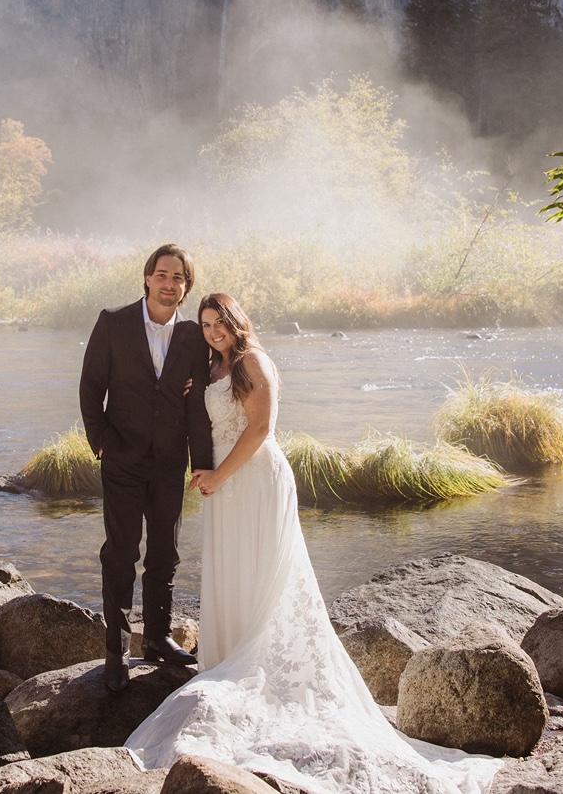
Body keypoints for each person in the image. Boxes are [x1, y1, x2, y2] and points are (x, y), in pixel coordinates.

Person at [124, 293, 502, 794]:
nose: (213, 332)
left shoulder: (253, 361)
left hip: (253, 477)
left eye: (221, 323)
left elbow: (261, 428)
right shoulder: (213, 366)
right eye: (207, 324)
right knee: (232, 569)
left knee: (264, 570)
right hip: (224, 486)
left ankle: (261, 662)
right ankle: (230, 653)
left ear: (237, 322)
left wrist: (219, 475)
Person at [80, 243, 214, 692]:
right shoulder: (113, 321)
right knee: (120, 556)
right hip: (122, 458)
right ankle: (117, 651)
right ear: (147, 277)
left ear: (186, 287)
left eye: (178, 278)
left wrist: (203, 463)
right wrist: (101, 443)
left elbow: (197, 403)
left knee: (164, 555)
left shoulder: (194, 335)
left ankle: (157, 638)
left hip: (171, 462)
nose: (169, 284)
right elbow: (90, 386)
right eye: (162, 275)